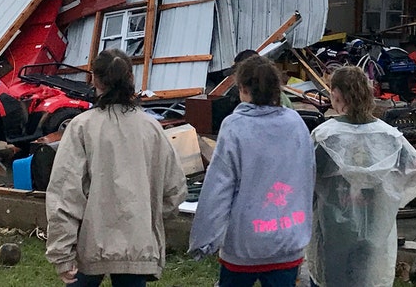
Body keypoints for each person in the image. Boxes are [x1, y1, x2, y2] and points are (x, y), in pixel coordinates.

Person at [45, 48, 187, 287]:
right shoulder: (151, 128)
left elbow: (65, 194)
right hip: (136, 243)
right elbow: (174, 190)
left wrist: (62, 253)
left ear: (94, 78)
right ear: (131, 78)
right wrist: (146, 218)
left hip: (90, 243)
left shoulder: (81, 127)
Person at [189, 54, 314, 287]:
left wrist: (204, 239)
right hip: (288, 237)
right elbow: (307, 176)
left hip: (244, 244)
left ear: (243, 89)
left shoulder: (235, 127)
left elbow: (219, 186)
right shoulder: (296, 123)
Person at [307, 65, 416, 287]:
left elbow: (305, 178)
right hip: (375, 225)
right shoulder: (389, 137)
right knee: (367, 277)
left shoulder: (324, 137)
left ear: (336, 95)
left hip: (331, 225)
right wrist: (394, 199)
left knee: (330, 276)